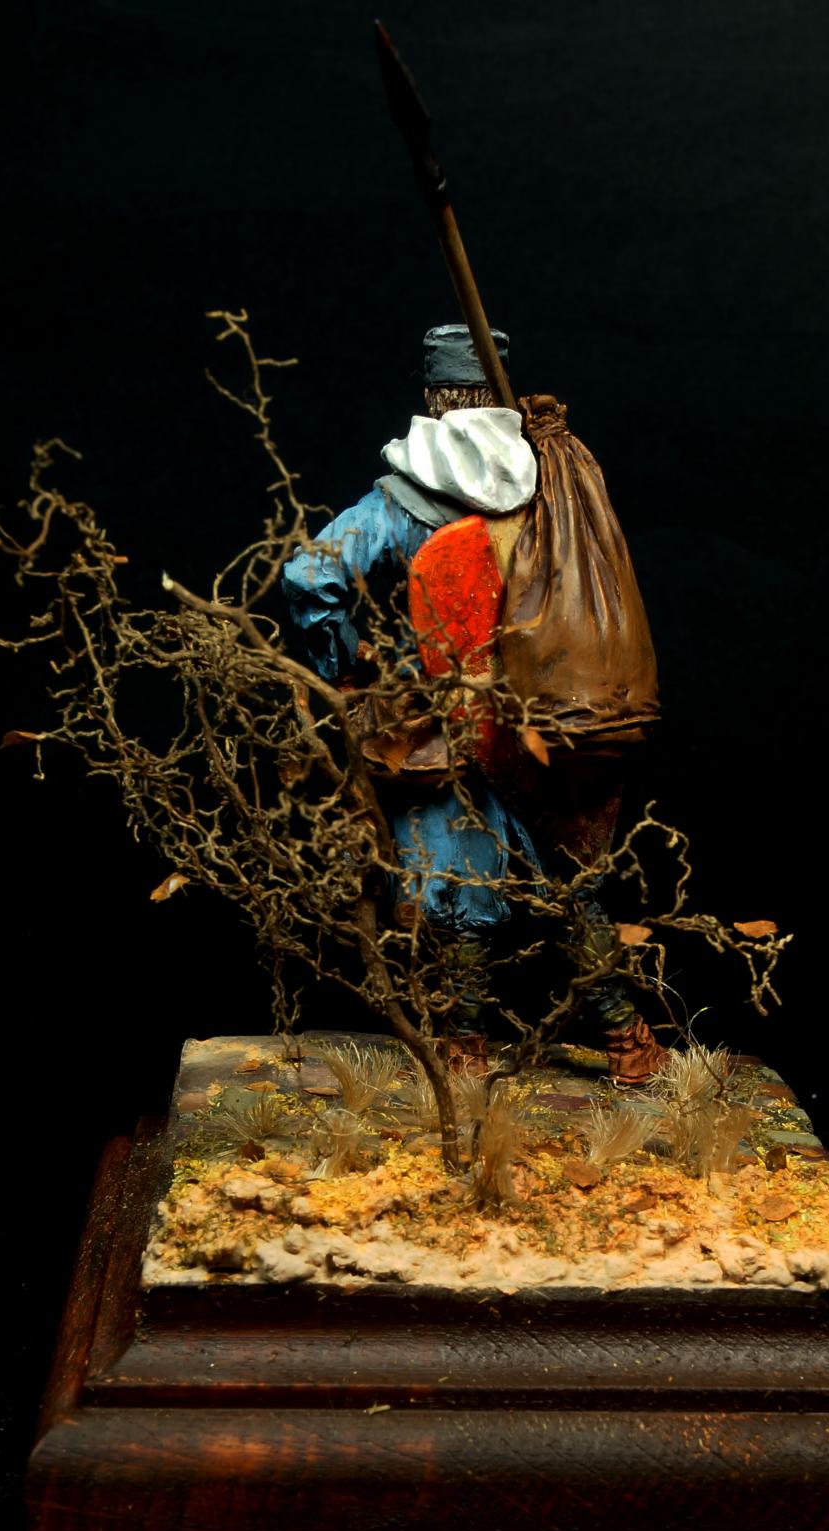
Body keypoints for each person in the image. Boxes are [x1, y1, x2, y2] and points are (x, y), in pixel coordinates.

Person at [282, 325, 668, 1083]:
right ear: (500, 395)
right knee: (571, 888)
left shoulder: (399, 502)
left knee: (459, 890)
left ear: (434, 399)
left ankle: (465, 1053)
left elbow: (309, 576)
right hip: (542, 723)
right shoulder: (550, 485)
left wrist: (348, 668)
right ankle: (628, 1044)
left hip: (448, 727)